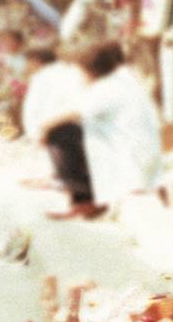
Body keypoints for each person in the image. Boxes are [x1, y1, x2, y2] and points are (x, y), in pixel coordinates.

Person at [75, 40, 162, 211]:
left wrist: (44, 127)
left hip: (132, 155)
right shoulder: (121, 81)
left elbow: (75, 111)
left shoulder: (107, 88)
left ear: (90, 70)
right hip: (140, 151)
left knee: (136, 198)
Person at [21, 47, 98, 219]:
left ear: (35, 61)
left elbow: (71, 107)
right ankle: (66, 183)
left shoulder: (59, 74)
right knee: (57, 134)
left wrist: (44, 127)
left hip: (80, 132)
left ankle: (84, 197)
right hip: (73, 129)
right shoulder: (50, 75)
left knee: (60, 133)